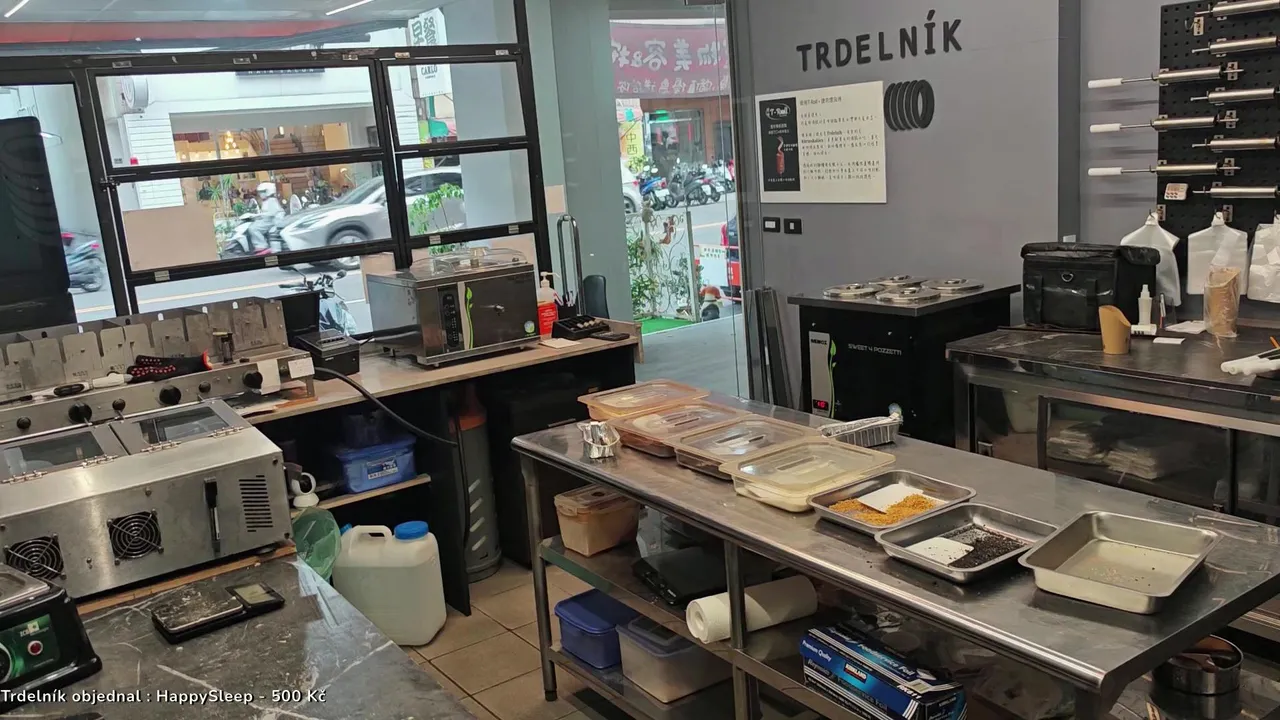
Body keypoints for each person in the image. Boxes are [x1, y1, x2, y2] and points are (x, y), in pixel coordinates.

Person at [247, 182, 283, 254]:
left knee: (253, 228)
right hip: (269, 220)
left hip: (273, 221)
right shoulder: (266, 201)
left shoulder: (272, 200)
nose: (261, 194)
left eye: (263, 191)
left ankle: (261, 245)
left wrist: (258, 216)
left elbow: (271, 213)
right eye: (260, 192)